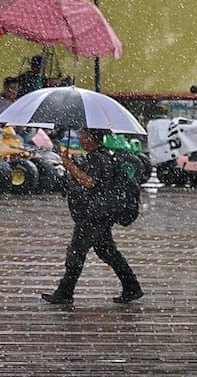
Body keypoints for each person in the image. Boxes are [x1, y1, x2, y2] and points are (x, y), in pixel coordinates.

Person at [42, 127, 142, 305]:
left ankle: (65, 292)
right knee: (106, 251)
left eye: (83, 135)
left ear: (91, 138)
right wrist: (73, 164)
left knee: (77, 251)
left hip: (94, 214)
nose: (80, 139)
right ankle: (131, 286)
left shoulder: (97, 158)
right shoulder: (104, 156)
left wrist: (70, 166)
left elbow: (89, 182)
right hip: (102, 212)